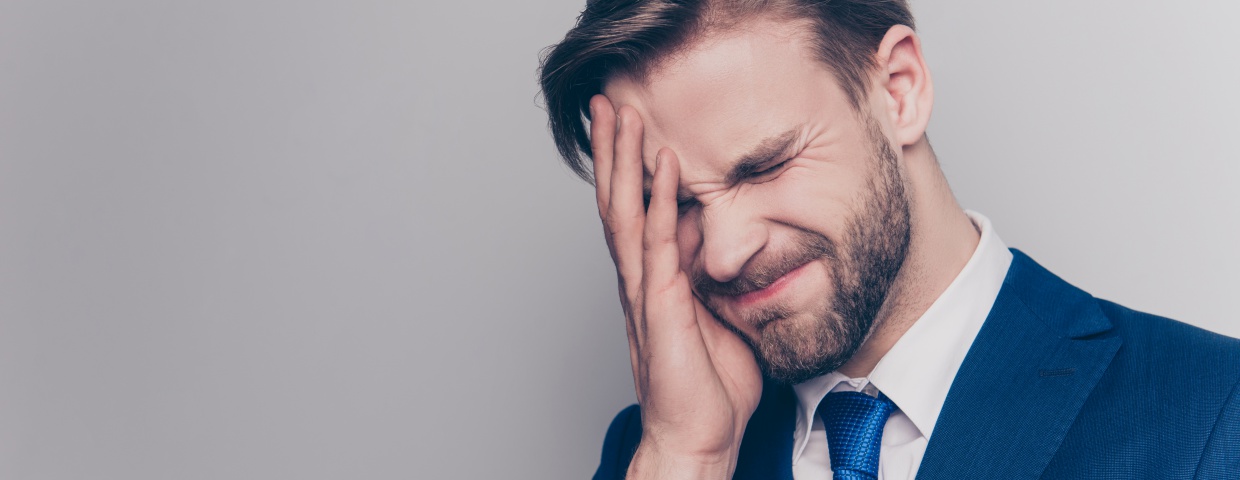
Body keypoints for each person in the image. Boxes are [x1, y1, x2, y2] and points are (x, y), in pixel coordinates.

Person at [537, 1, 1240, 478]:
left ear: (899, 89)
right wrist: (686, 456)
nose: (722, 252)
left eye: (767, 164)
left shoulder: (1207, 413)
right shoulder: (655, 450)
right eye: (676, 204)